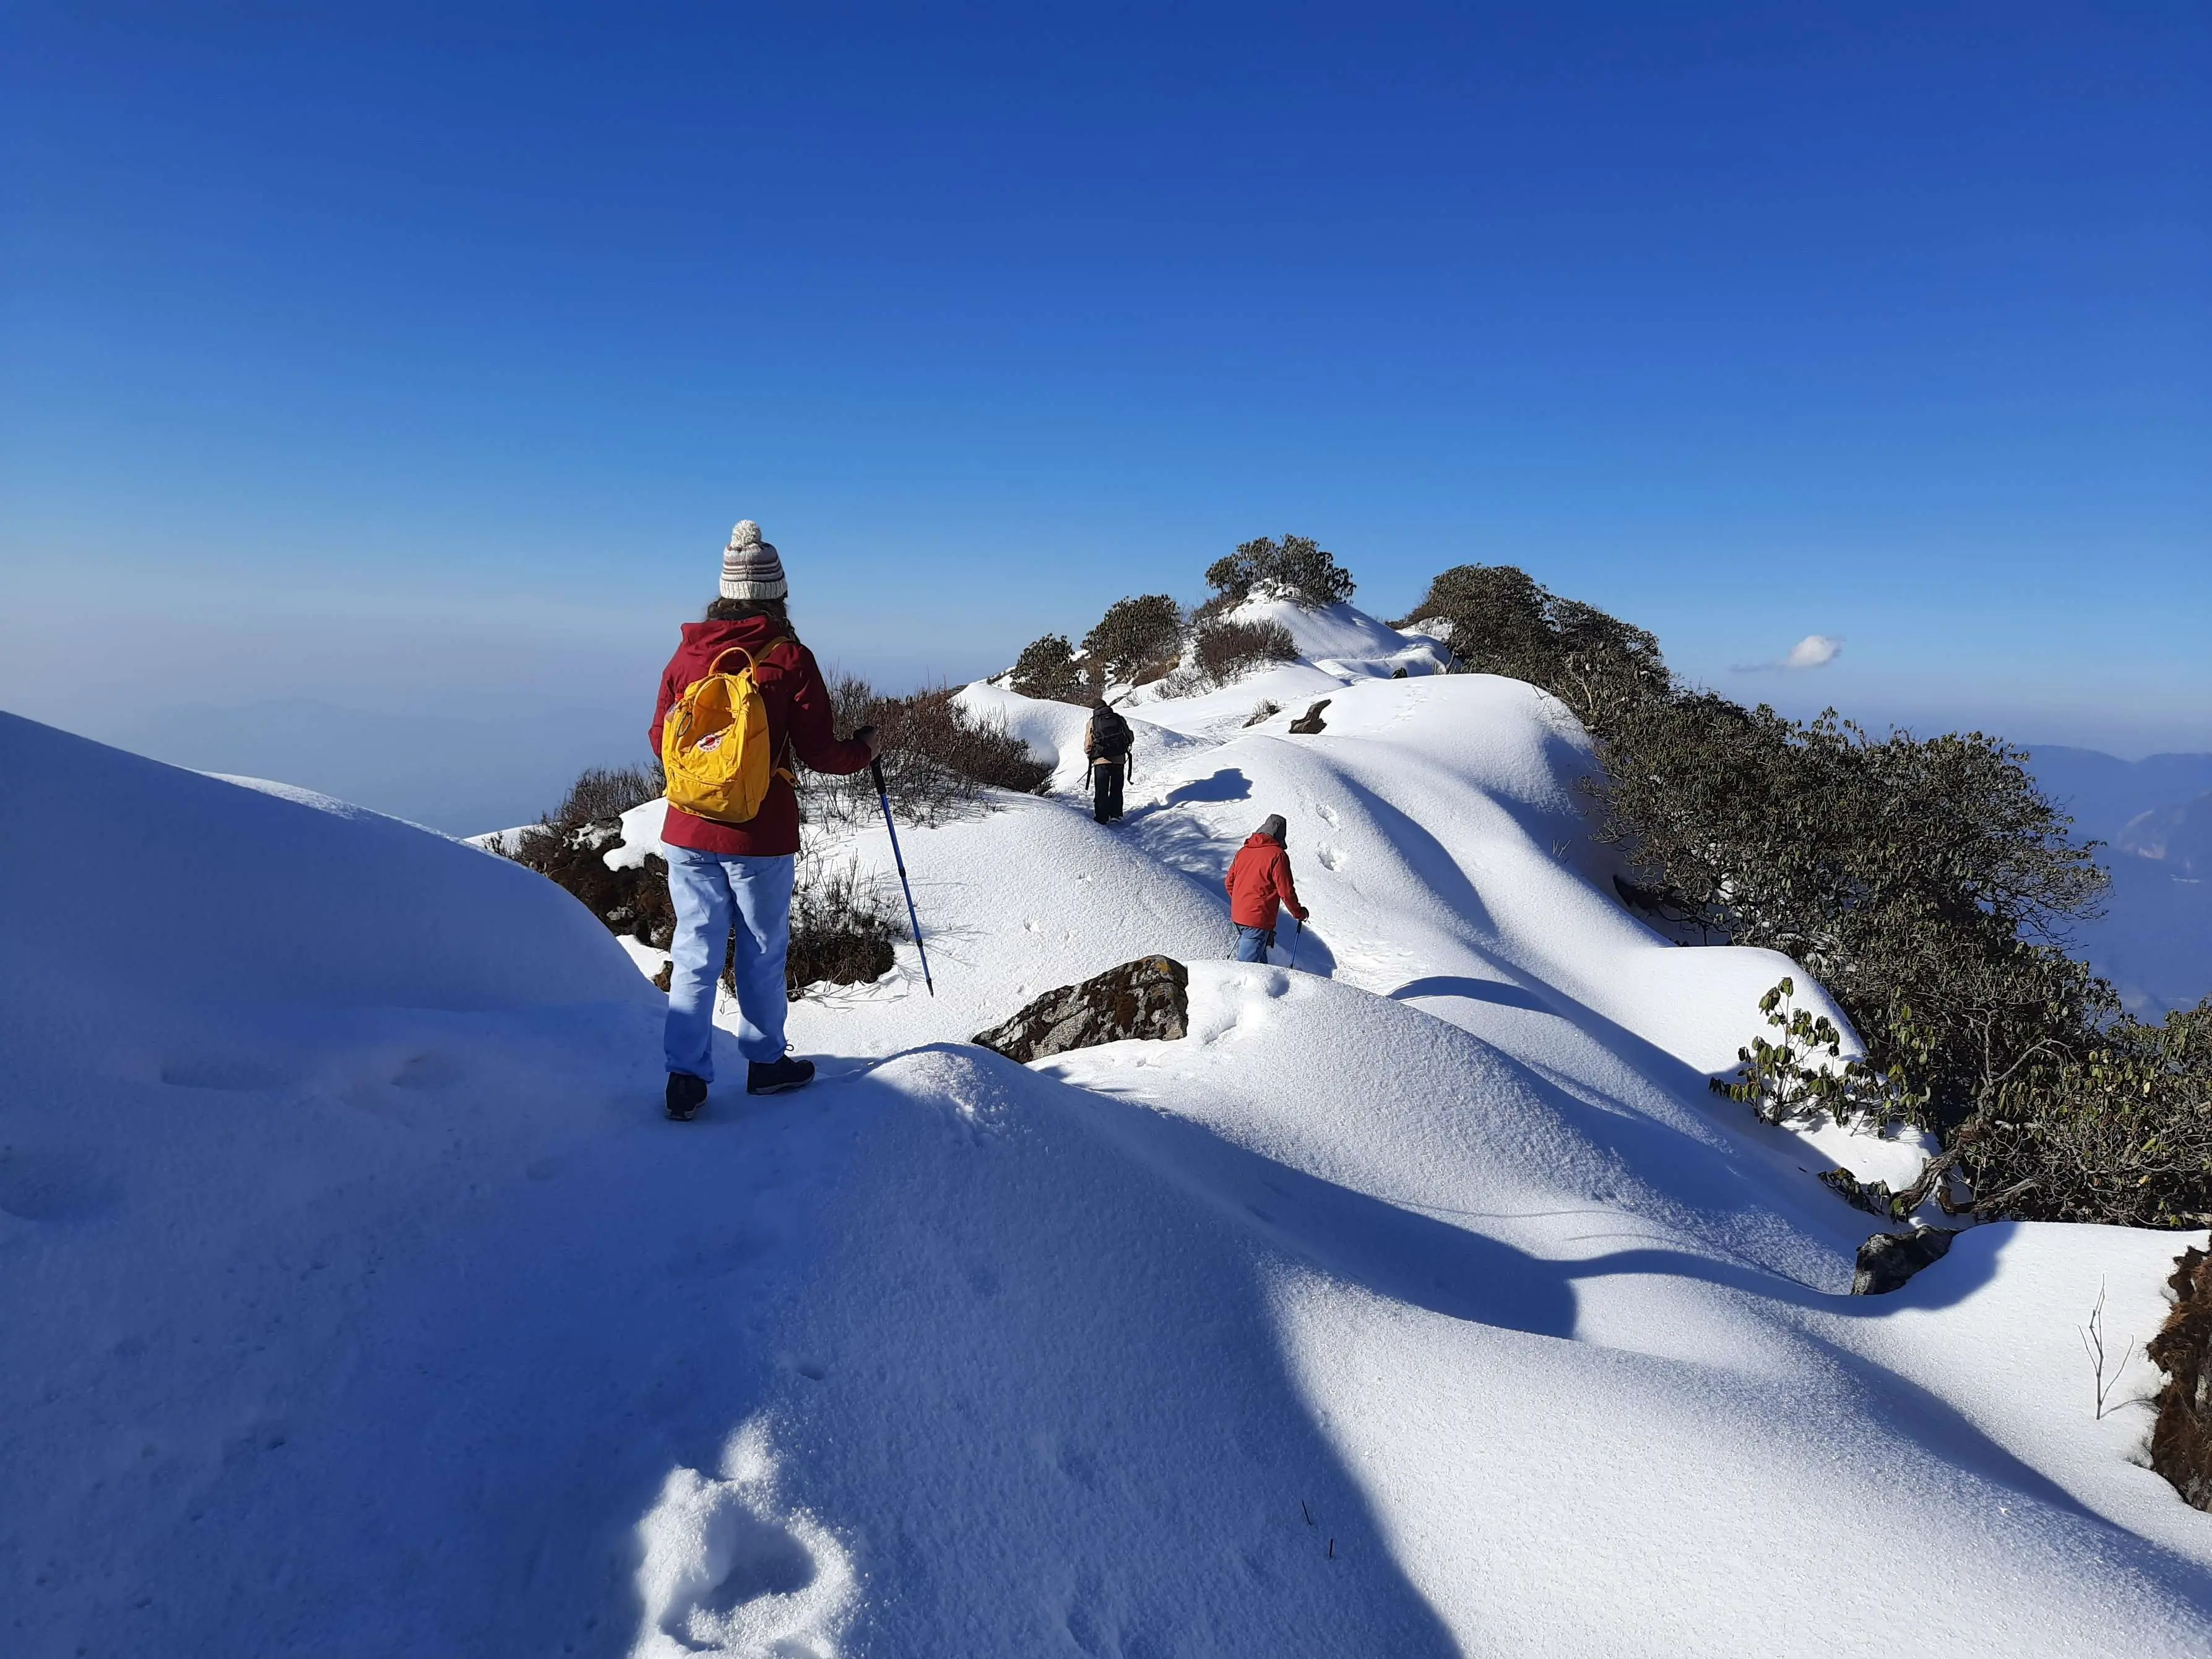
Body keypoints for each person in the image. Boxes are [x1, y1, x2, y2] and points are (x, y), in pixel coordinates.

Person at [651, 520, 878, 1121]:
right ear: (776, 590)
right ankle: (765, 1061)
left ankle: (684, 1076)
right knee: (759, 947)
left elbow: (660, 738)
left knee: (695, 948)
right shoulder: (787, 657)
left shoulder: (689, 653)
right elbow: (822, 753)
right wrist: (867, 751)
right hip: (760, 832)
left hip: (688, 827)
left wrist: (708, 775)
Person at [1225, 813, 1310, 963]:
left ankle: (1268, 985)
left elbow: (1229, 883)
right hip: (1258, 919)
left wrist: (1243, 902)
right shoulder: (1277, 855)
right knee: (1246, 968)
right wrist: (1299, 913)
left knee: (1260, 965)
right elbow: (1286, 891)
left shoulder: (1243, 852)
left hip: (1239, 916)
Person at [1084, 699, 1134, 824]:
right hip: (1119, 759)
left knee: (1102, 788)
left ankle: (1102, 817)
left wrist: (1090, 754)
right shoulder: (1118, 718)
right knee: (1117, 787)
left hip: (1101, 759)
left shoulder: (1093, 721)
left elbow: (1088, 744)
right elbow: (1130, 737)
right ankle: (1115, 814)